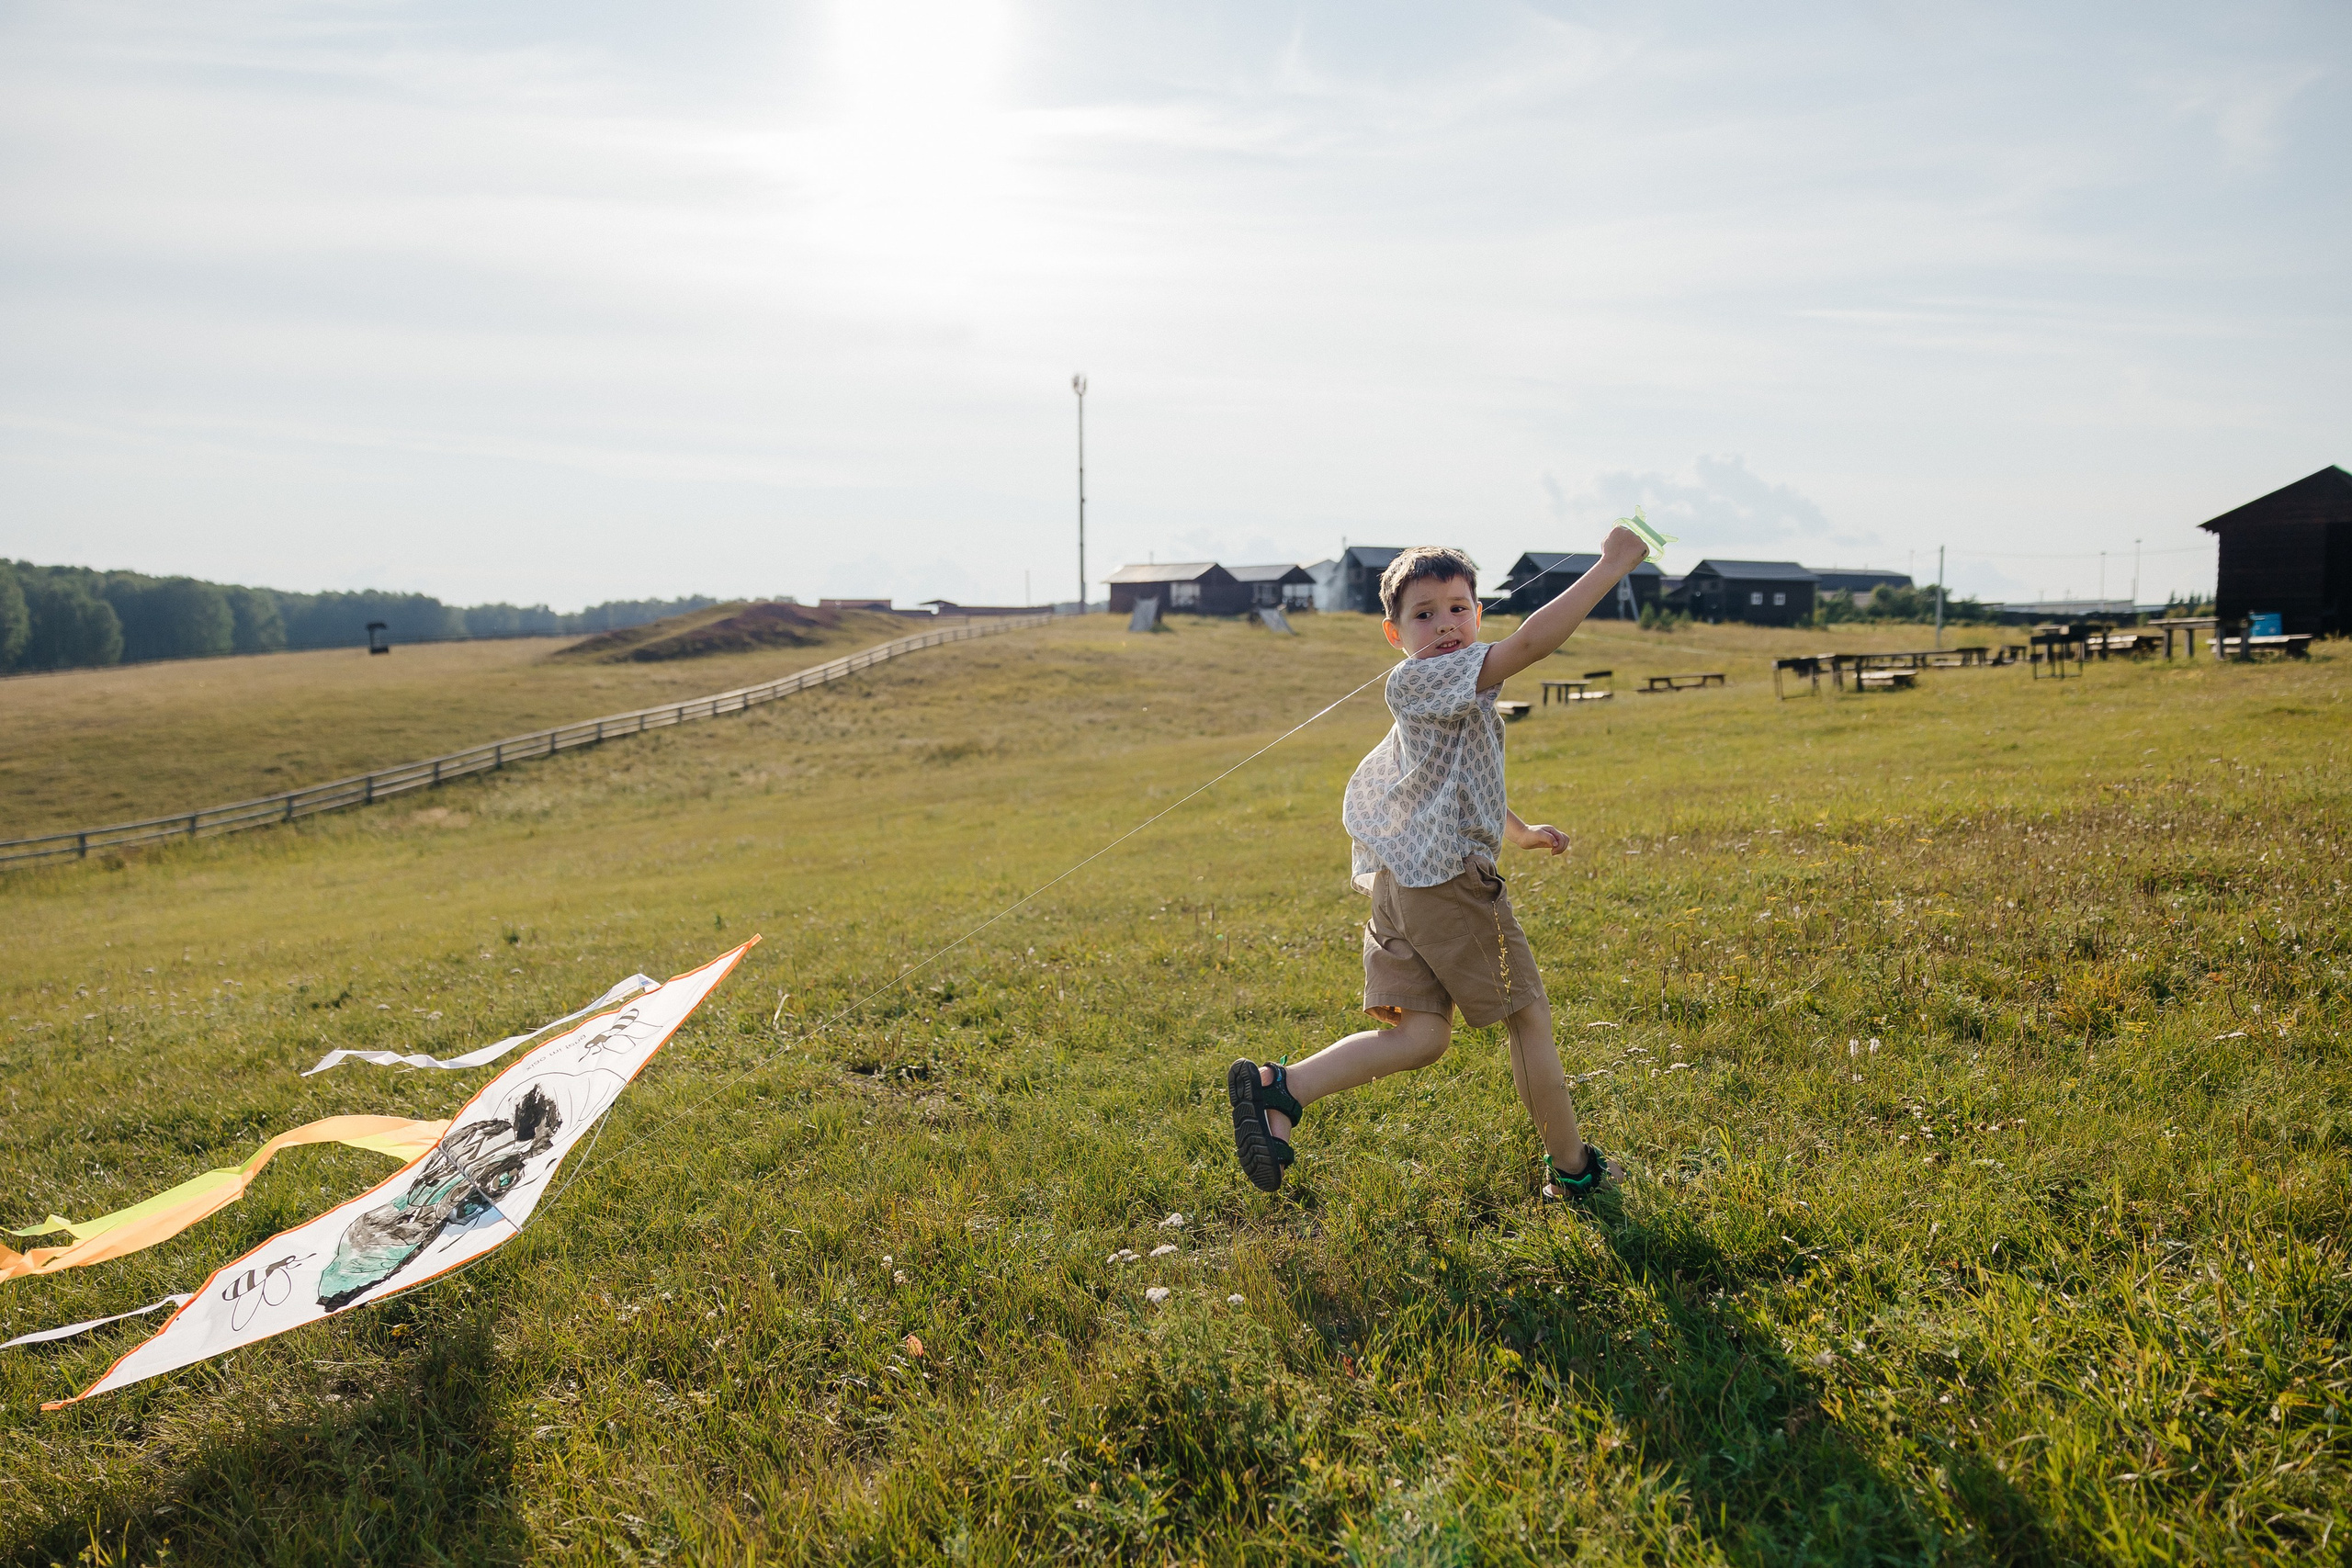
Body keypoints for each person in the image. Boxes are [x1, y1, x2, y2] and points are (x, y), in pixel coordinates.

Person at [1227, 527, 1649, 1201]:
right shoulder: (1427, 676)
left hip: (1404, 884)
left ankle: (1283, 1087)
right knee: (1527, 1018)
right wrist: (1612, 565)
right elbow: (1534, 642)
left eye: (1458, 607)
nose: (1446, 624)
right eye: (1424, 614)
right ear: (1394, 633)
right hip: (1447, 885)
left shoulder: (1444, 688)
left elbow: (1448, 778)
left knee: (1422, 1035)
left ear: (1477, 612)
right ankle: (1576, 1172)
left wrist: (1519, 829)